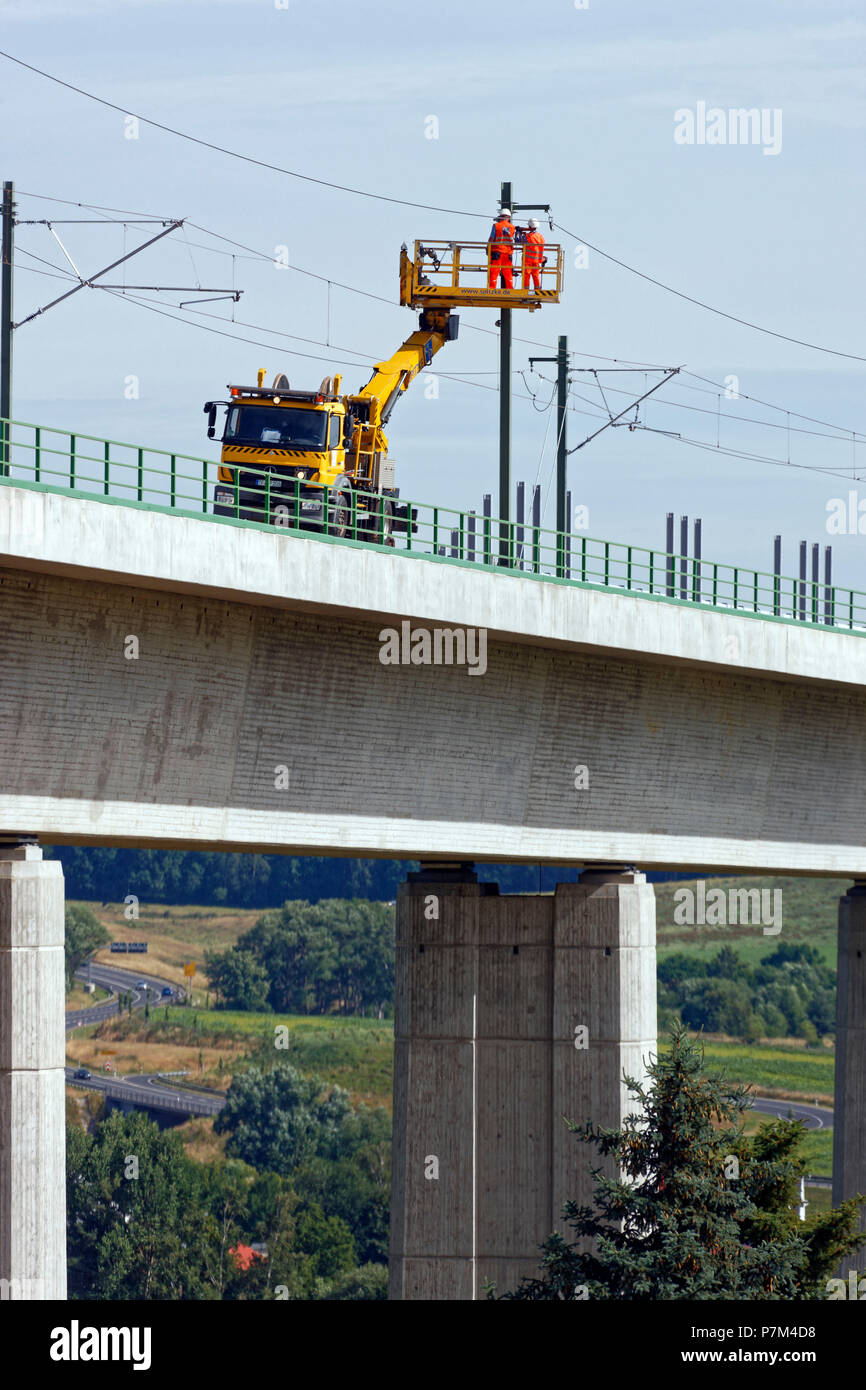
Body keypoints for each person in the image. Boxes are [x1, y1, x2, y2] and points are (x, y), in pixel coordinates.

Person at [488, 207, 515, 289]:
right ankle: (510, 289)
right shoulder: (512, 227)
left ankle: (492, 289)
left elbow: (491, 239)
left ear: (500, 216)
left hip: (497, 252)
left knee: (494, 272)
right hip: (507, 253)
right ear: (509, 217)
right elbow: (512, 239)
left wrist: (487, 248)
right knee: (508, 273)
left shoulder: (496, 226)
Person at [522, 217, 545, 291]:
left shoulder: (528, 236)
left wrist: (522, 231)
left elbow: (521, 241)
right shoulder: (540, 237)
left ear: (529, 226)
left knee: (526, 275)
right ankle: (537, 290)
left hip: (528, 260)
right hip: (536, 260)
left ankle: (526, 290)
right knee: (536, 276)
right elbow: (541, 248)